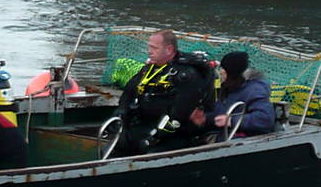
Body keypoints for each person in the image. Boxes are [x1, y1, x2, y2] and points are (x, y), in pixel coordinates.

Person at [112, 28, 213, 157]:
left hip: (174, 134)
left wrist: (154, 137)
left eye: (154, 48)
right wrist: (120, 114)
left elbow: (180, 114)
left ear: (169, 50)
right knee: (115, 148)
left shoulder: (186, 75)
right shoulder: (149, 69)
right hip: (144, 124)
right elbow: (129, 93)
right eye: (149, 47)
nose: (149, 51)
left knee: (148, 155)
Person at [193, 51, 275, 137]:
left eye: (223, 69)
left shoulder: (254, 90)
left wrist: (231, 121)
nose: (220, 72)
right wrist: (206, 119)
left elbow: (265, 119)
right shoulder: (229, 89)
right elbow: (221, 114)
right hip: (221, 134)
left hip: (241, 140)